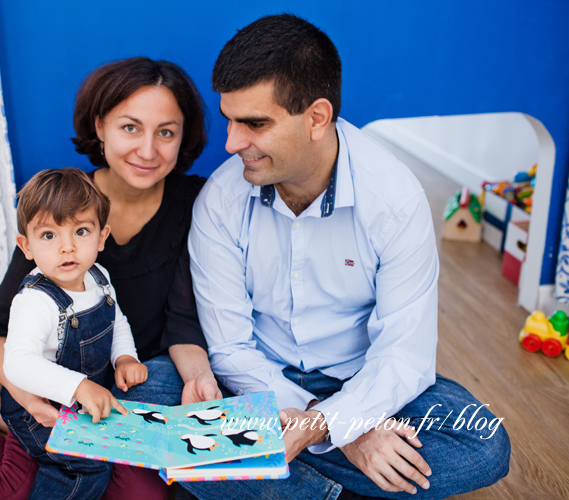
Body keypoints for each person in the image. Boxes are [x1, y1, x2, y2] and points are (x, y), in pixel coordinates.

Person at [182, 14, 511, 500]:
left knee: (485, 444)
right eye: (229, 119)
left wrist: (328, 423)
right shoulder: (221, 198)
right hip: (259, 385)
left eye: (254, 124)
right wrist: (341, 429)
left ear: (316, 117)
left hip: (363, 377)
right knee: (152, 399)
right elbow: (231, 350)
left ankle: (275, 481)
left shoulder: (394, 198)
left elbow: (404, 352)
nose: (231, 144)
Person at [0, 57, 221, 500]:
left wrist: (187, 375)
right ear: (100, 127)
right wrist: (26, 396)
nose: (147, 150)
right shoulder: (61, 202)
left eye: (166, 132)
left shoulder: (196, 201)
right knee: (19, 490)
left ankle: (6, 423)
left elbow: (182, 319)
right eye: (130, 127)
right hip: (53, 387)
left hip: (136, 386)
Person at [0, 167, 148, 499]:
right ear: (26, 245)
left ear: (101, 236)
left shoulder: (98, 276)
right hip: (39, 409)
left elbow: (116, 320)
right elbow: (17, 364)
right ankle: (16, 435)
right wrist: (78, 386)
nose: (67, 247)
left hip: (85, 399)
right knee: (86, 465)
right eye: (50, 235)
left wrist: (124, 356)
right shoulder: (35, 302)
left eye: (81, 231)